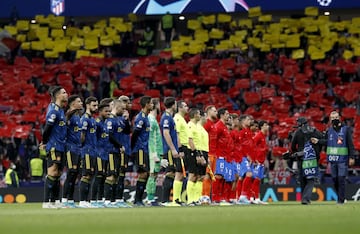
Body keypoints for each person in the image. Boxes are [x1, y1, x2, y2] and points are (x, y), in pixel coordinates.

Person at [311, 111, 356, 204]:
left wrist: (352, 157)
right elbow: (327, 141)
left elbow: (350, 144)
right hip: (332, 159)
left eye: (336, 117)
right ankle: (341, 197)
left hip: (342, 159)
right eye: (332, 118)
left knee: (341, 178)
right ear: (330, 119)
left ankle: (341, 200)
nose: (334, 119)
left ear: (339, 118)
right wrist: (318, 141)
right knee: (334, 179)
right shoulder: (329, 130)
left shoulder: (346, 129)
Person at [40, 85, 68, 208]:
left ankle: (55, 201)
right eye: (64, 92)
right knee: (52, 172)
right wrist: (44, 142)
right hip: (53, 145)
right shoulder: (53, 110)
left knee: (58, 174)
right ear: (57, 96)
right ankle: (47, 202)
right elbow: (47, 128)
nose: (66, 94)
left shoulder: (61, 110)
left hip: (61, 146)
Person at [291, 117, 323, 205]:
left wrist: (295, 153)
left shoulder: (298, 132)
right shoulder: (314, 130)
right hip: (312, 158)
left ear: (301, 123)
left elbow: (293, 146)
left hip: (301, 158)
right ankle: (306, 198)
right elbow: (321, 141)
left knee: (302, 179)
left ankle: (304, 198)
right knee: (311, 179)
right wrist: (317, 153)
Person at [104, 99, 126, 207]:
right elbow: (109, 135)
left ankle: (113, 201)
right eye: (122, 108)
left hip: (117, 151)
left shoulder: (118, 120)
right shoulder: (110, 120)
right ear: (117, 108)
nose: (124, 110)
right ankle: (107, 200)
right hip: (111, 151)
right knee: (111, 175)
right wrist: (119, 145)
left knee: (116, 176)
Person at [62, 95, 83, 208]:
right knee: (71, 172)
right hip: (70, 148)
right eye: (79, 101)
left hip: (78, 148)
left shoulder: (78, 116)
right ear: (73, 104)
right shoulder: (69, 115)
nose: (81, 103)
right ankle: (65, 199)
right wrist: (72, 111)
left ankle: (70, 200)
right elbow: (65, 119)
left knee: (75, 174)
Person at [131, 96, 153, 206]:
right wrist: (133, 148)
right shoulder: (140, 118)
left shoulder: (146, 117)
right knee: (143, 173)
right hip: (139, 149)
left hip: (145, 149)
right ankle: (137, 200)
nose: (153, 105)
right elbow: (135, 133)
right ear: (146, 104)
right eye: (151, 103)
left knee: (146, 173)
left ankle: (138, 199)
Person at [90, 100, 112, 207]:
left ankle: (100, 199)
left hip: (105, 153)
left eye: (109, 111)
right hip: (98, 153)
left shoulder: (105, 123)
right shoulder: (96, 123)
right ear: (100, 111)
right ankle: (93, 200)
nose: (108, 113)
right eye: (106, 111)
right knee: (98, 176)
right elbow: (93, 138)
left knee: (103, 176)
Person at [78, 96, 99, 208]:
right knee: (86, 175)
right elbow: (81, 136)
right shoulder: (85, 119)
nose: (96, 107)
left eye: (97, 105)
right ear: (88, 105)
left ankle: (87, 201)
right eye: (94, 105)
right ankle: (82, 201)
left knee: (90, 175)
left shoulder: (92, 119)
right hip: (87, 150)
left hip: (93, 151)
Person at [160, 97, 180, 206]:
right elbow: (166, 133)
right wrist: (172, 149)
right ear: (173, 105)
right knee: (170, 172)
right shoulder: (166, 118)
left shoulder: (169, 117)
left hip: (172, 149)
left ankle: (166, 200)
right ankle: (164, 200)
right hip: (168, 150)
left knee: (172, 173)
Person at [145, 98, 163, 206]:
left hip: (157, 151)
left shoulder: (154, 119)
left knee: (155, 175)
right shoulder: (151, 120)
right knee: (152, 174)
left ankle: (151, 198)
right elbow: (150, 138)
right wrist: (154, 154)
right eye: (159, 105)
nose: (160, 107)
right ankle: (149, 199)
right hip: (154, 152)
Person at [173, 100, 189, 205]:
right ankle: (175, 199)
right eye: (185, 106)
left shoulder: (182, 119)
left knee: (181, 174)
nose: (187, 107)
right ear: (180, 108)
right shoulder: (177, 118)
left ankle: (177, 199)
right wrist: (180, 149)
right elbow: (177, 134)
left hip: (185, 147)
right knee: (178, 173)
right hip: (181, 147)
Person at [251, 120, 269, 204]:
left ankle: (256, 198)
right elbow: (252, 146)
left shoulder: (263, 136)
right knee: (256, 180)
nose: (267, 126)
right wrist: (255, 159)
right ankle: (252, 198)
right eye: (266, 125)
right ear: (261, 126)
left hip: (261, 161)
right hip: (257, 161)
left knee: (258, 180)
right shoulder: (258, 135)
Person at [202, 105, 218, 201]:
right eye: (214, 111)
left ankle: (207, 196)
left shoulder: (213, 124)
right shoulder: (206, 124)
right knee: (207, 175)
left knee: (211, 176)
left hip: (214, 154)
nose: (216, 113)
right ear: (208, 112)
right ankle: (204, 196)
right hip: (208, 153)